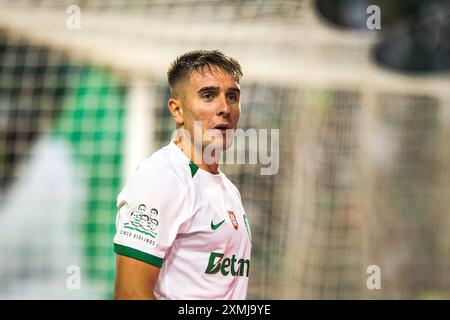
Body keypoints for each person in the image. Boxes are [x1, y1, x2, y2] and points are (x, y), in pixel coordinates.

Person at [113, 50, 252, 300]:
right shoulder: (161, 179)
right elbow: (130, 293)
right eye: (208, 95)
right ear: (176, 110)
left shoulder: (229, 190)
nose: (225, 108)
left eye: (232, 96)